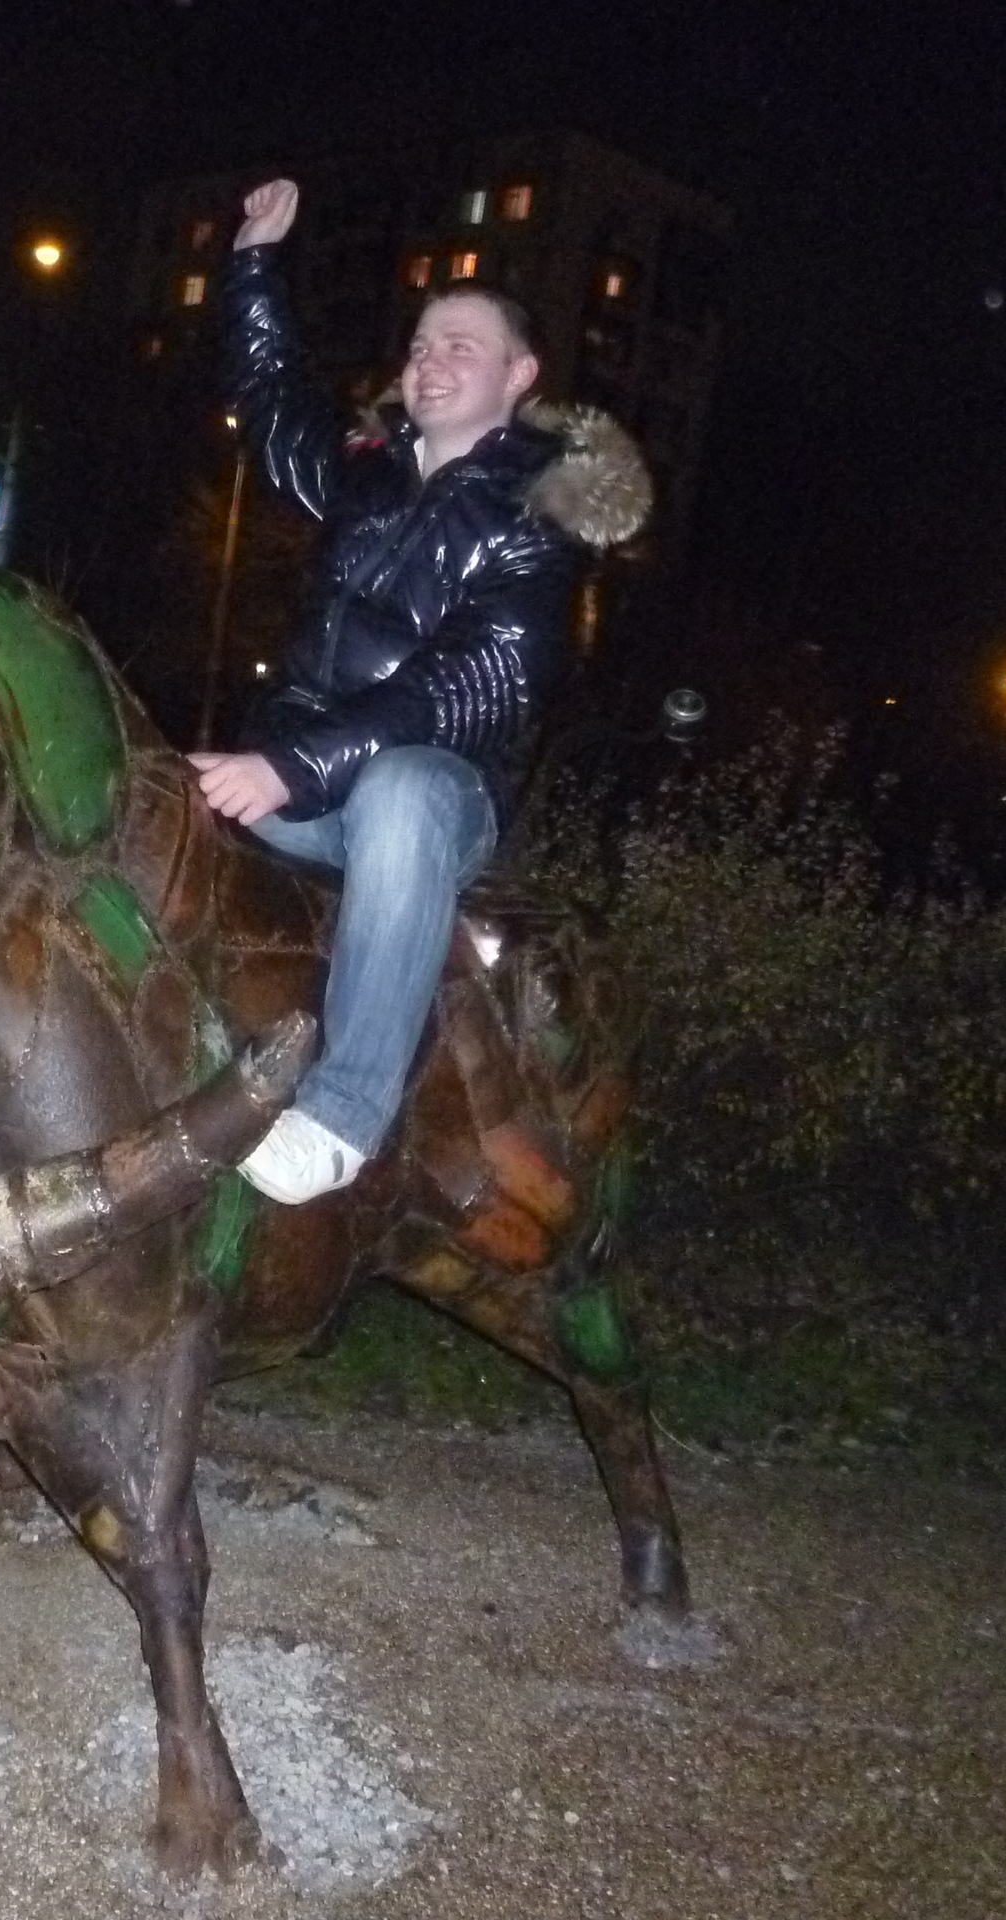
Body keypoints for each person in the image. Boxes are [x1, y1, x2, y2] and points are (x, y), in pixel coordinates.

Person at [191, 176, 647, 1204]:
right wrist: (254, 265)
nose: (428, 361)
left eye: (459, 346)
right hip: (304, 780)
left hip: (434, 798)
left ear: (519, 375)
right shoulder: (368, 474)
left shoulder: (540, 515)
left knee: (399, 790)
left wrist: (291, 765)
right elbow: (274, 407)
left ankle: (340, 1123)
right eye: (420, 343)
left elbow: (475, 678)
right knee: (147, 790)